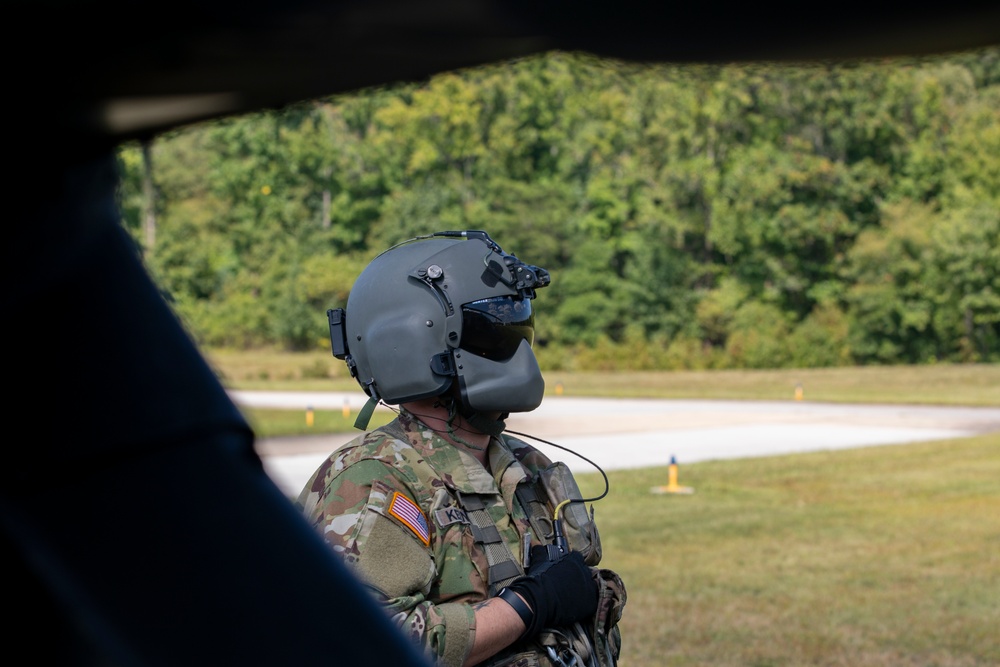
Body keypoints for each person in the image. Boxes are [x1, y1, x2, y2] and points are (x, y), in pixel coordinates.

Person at [295, 230, 627, 667]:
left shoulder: (526, 466)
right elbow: (368, 639)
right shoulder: (373, 478)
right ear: (414, 342)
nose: (516, 348)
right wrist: (527, 605)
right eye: (493, 329)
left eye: (519, 323)